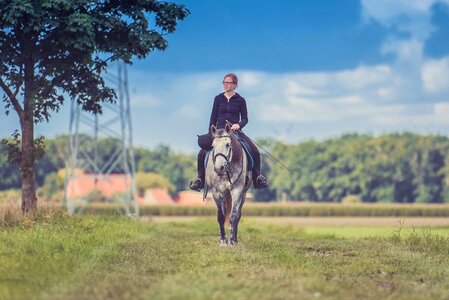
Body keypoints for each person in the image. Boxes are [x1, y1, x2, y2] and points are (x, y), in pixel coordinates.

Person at [190, 73, 268, 191]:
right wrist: (211, 133)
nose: (225, 85)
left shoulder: (240, 100)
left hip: (234, 131)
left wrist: (239, 125)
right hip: (219, 132)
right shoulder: (218, 98)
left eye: (228, 82)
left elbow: (245, 118)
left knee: (254, 150)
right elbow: (213, 117)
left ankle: (258, 178)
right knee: (201, 152)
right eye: (224, 82)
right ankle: (200, 179)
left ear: (235, 85)